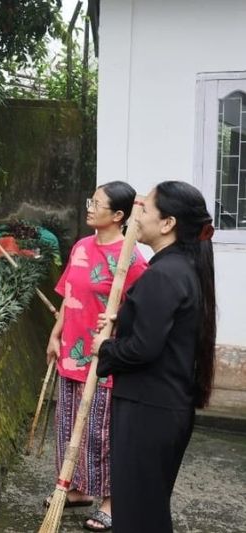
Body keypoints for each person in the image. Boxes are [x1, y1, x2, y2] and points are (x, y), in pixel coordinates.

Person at [92, 181, 216, 532]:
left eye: (145, 208)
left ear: (168, 224)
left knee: (137, 515)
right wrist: (124, 319)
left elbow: (143, 349)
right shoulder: (179, 269)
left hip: (148, 410)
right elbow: (164, 331)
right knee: (146, 509)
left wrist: (105, 348)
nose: (137, 212)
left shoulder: (163, 274)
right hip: (161, 407)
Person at [45, 181, 148, 531]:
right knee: (68, 427)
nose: (89, 207)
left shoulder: (131, 257)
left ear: (118, 215)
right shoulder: (81, 246)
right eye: (91, 200)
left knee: (100, 435)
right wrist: (55, 334)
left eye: (97, 203)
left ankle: (110, 501)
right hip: (71, 355)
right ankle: (75, 489)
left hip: (103, 359)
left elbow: (142, 309)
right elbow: (67, 294)